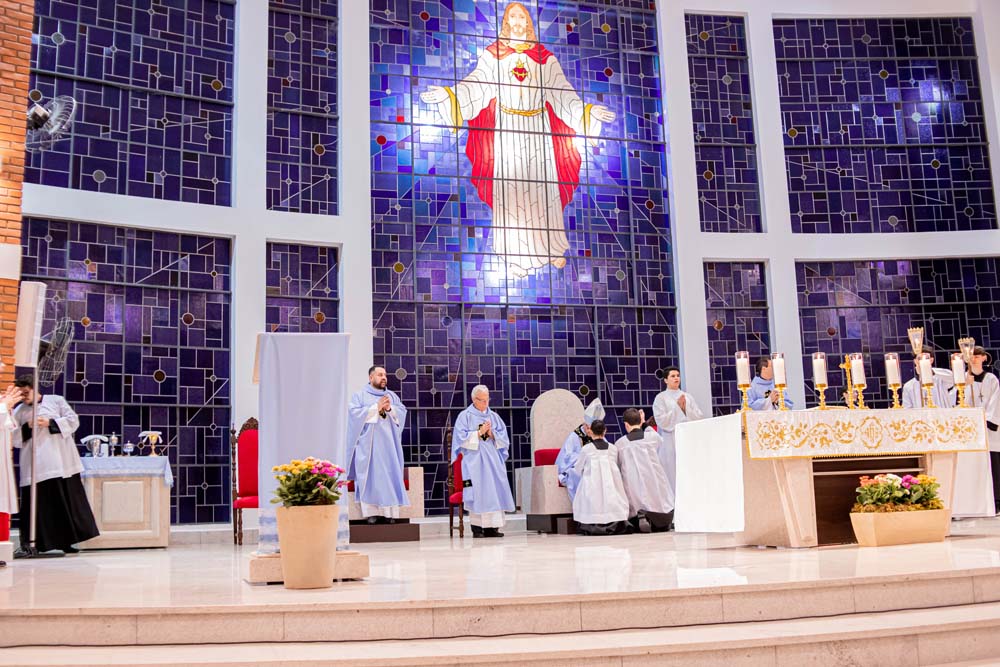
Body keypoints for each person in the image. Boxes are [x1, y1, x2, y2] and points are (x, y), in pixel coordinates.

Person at [419, 2, 616, 278]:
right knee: (512, 193)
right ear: (506, 23)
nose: (517, 21)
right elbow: (476, 86)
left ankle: (551, 247)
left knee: (542, 190)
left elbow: (563, 94)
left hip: (539, 131)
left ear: (528, 23)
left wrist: (589, 111)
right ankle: (515, 258)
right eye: (512, 17)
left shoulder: (545, 58)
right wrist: (449, 95)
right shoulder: (493, 56)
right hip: (508, 131)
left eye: (522, 17)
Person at [12, 376, 98, 556]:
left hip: (60, 462)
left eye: (26, 393)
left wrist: (50, 423)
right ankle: (34, 544)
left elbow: (73, 421)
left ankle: (67, 542)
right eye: (21, 394)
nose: (24, 398)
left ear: (35, 389)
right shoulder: (19, 411)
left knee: (63, 504)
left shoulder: (56, 401)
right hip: (36, 466)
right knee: (38, 507)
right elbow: (12, 437)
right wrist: (27, 427)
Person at [345, 365, 409, 524]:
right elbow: (354, 416)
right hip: (369, 447)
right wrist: (376, 408)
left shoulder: (392, 396)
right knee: (371, 479)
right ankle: (372, 513)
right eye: (380, 375)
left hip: (390, 446)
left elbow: (402, 412)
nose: (384, 377)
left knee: (389, 478)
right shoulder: (360, 396)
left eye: (385, 375)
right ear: (371, 377)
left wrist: (390, 409)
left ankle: (389, 513)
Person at [453, 385, 515, 538]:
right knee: (478, 491)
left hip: (493, 461)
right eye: (482, 400)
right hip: (474, 461)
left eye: (487, 400)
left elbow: (504, 439)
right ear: (474, 399)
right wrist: (479, 433)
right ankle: (477, 528)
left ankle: (493, 528)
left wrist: (492, 434)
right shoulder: (465, 416)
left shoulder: (494, 417)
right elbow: (460, 439)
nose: (486, 403)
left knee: (495, 491)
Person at [615, 408, 673, 532]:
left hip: (633, 487)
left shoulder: (620, 444)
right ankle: (658, 521)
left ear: (626, 424)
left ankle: (639, 518)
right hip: (654, 482)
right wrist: (644, 423)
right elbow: (659, 440)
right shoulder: (652, 437)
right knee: (659, 499)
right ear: (640, 421)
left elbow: (618, 465)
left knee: (633, 494)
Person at [958, 347, 1000, 515]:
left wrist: (986, 421)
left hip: (987, 429)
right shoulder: (962, 379)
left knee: (993, 466)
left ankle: (996, 501)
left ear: (984, 358)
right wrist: (963, 385)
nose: (974, 359)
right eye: (971, 356)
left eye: (977, 356)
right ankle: (975, 503)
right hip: (969, 431)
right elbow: (956, 401)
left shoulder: (991, 379)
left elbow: (996, 402)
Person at [652, 366, 705, 496]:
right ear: (666, 380)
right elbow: (661, 420)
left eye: (678, 376)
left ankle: (691, 496)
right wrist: (677, 408)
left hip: (688, 439)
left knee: (689, 468)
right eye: (673, 376)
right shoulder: (661, 398)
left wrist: (685, 408)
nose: (676, 378)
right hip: (670, 440)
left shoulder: (687, 397)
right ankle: (674, 499)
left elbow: (699, 416)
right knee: (672, 470)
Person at [572, 420, 629, 535]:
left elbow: (578, 468)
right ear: (605, 431)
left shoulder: (586, 449)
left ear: (591, 432)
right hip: (611, 484)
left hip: (591, 484)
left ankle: (591, 522)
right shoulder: (613, 448)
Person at [555, 398, 604, 502]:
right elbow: (567, 457)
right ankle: (581, 505)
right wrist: (585, 457)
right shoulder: (575, 436)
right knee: (577, 475)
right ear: (585, 425)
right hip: (578, 468)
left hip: (595, 467)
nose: (590, 431)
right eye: (589, 428)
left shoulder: (599, 435)